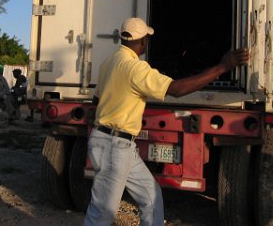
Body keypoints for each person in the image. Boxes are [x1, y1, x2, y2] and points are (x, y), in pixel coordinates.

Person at [83, 17, 249, 226]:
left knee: (151, 196)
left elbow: (97, 99)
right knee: (101, 214)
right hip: (114, 146)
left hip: (116, 143)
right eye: (146, 39)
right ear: (142, 41)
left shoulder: (109, 62)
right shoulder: (136, 68)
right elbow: (178, 90)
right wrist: (224, 66)